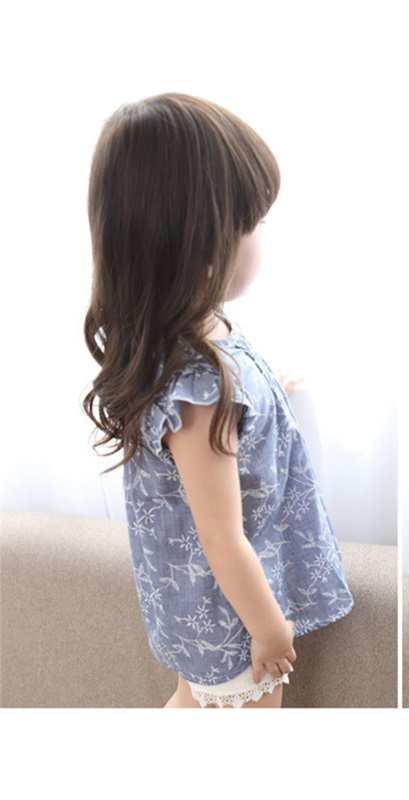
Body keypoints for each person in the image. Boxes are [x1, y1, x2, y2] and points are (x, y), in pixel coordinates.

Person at [83, 93, 353, 708]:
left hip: (203, 611)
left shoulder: (189, 340)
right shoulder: (201, 389)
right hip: (231, 621)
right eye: (254, 223)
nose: (263, 235)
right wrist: (270, 629)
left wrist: (265, 396)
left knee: (191, 705)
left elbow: (215, 446)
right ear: (205, 250)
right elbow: (221, 537)